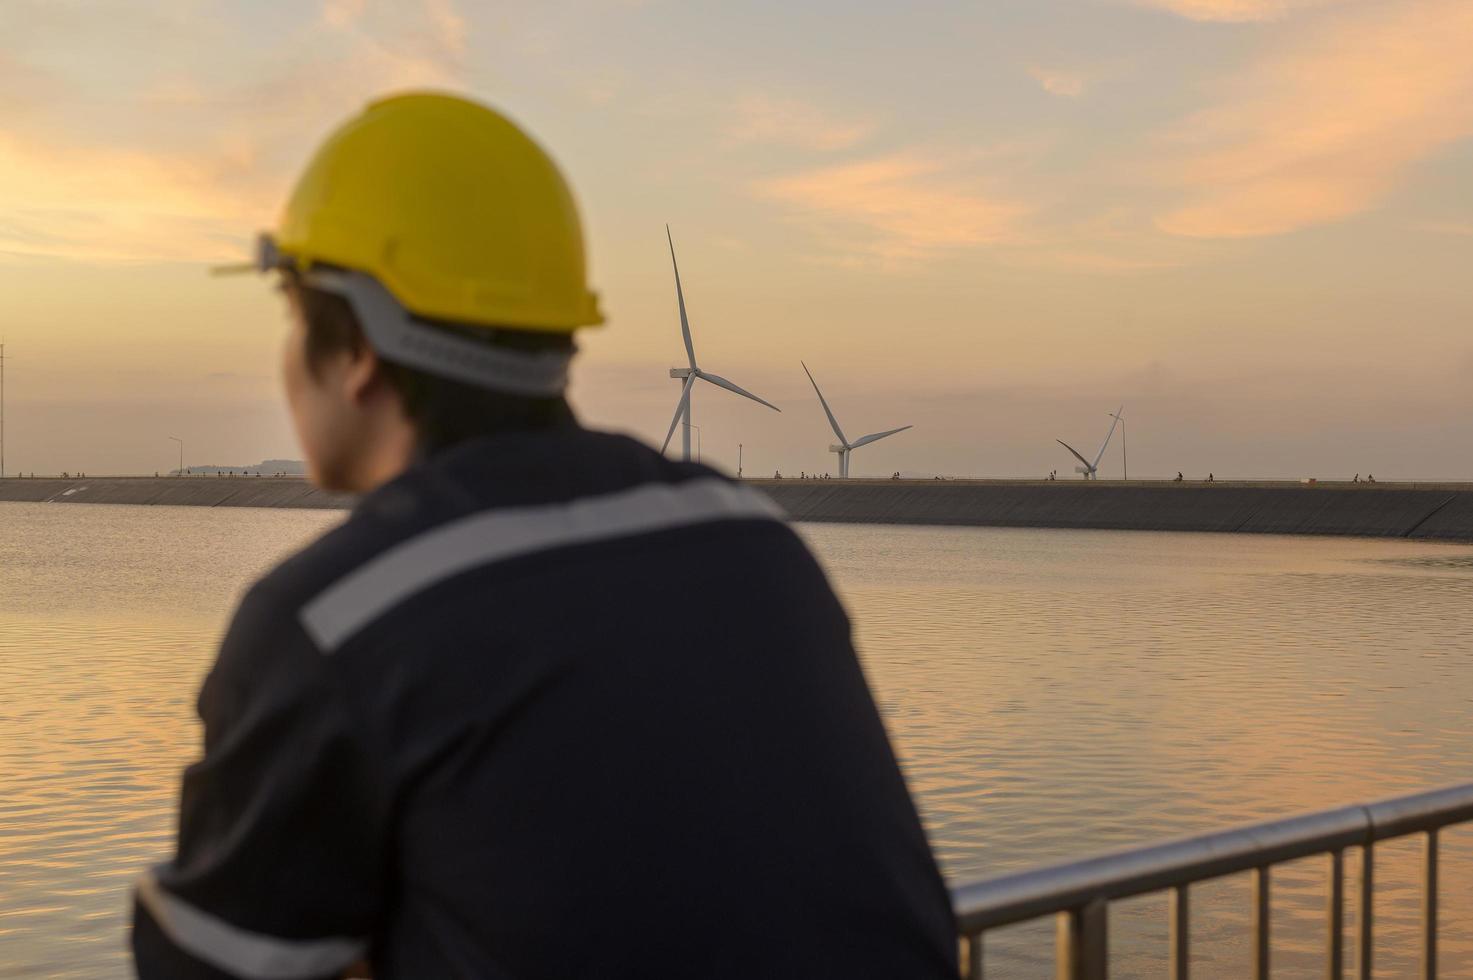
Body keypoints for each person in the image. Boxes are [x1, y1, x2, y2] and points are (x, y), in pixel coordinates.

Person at [131, 93, 955, 980]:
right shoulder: (752, 541)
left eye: (292, 314)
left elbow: (207, 969)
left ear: (359, 348)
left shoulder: (336, 621)